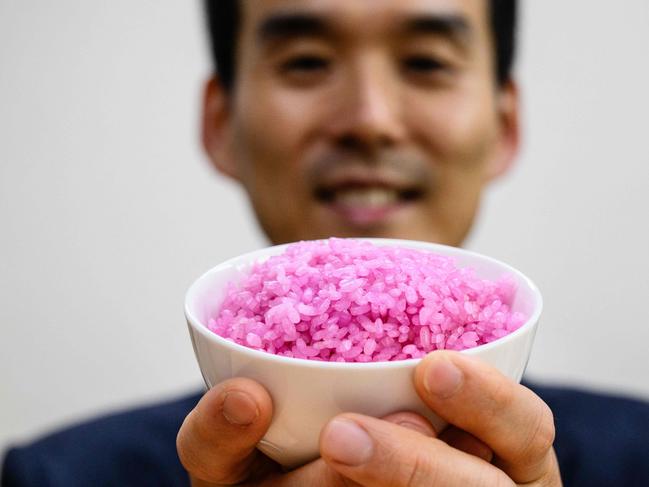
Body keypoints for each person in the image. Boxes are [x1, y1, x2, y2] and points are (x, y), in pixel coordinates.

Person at [2, 1, 649, 486]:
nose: (369, 119)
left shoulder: (637, 454)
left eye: (426, 62)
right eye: (306, 62)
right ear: (221, 124)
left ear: (503, 126)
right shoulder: (55, 475)